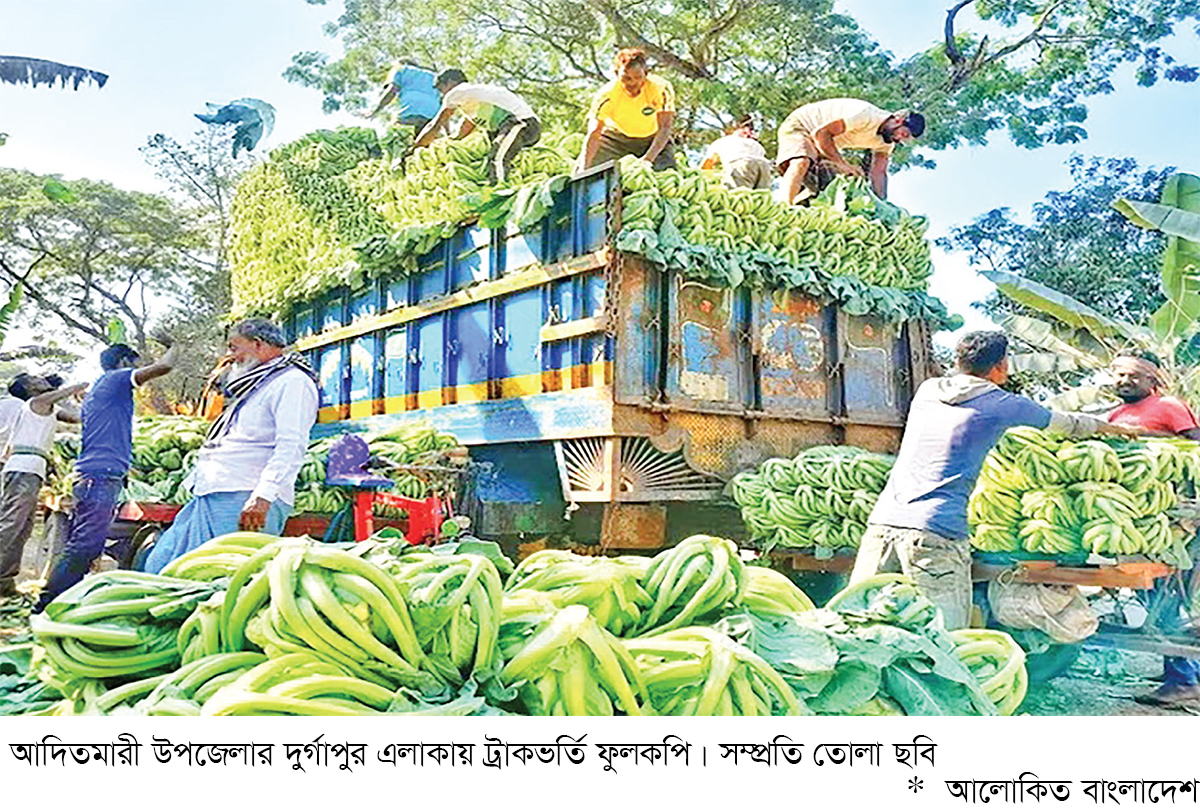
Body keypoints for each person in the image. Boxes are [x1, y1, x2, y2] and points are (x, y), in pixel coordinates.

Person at [850, 331, 1145, 630]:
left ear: (958, 361)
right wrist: (1117, 430)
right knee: (941, 636)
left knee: (860, 623)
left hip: (883, 525)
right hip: (936, 531)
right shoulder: (1003, 404)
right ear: (1001, 365)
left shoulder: (928, 390)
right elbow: (1068, 424)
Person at [143, 319, 318, 573]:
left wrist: (263, 496)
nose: (229, 355)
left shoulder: (292, 382)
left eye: (234, 347)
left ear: (258, 345)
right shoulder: (257, 383)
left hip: (246, 498)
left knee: (216, 582)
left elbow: (291, 446)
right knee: (160, 566)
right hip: (215, 493)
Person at [35, 341, 179, 610]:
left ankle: (65, 600)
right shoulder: (115, 379)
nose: (137, 369)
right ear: (124, 362)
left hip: (97, 475)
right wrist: (174, 344)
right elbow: (165, 366)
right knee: (84, 546)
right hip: (100, 475)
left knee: (86, 544)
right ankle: (47, 605)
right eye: (135, 363)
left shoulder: (100, 389)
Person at [1105, 349, 1200, 710]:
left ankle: (1183, 683)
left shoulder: (1169, 407)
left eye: (1133, 376)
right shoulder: (1116, 415)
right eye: (1119, 375)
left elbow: (1196, 446)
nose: (1124, 381)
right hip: (1136, 517)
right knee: (1152, 593)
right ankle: (1183, 671)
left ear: (1151, 380)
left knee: (1169, 596)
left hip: (1174, 519)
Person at [0, 374, 87, 599]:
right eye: (34, 380)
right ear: (28, 389)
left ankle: (6, 580)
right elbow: (57, 396)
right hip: (23, 469)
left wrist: (86, 402)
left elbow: (78, 418)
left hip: (31, 470)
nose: (40, 379)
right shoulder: (35, 403)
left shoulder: (47, 409)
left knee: (23, 527)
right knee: (12, 524)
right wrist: (80, 386)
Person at [776, 98, 924, 204]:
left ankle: (802, 210)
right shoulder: (866, 115)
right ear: (898, 120)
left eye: (905, 139)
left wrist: (882, 203)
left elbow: (879, 172)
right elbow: (821, 134)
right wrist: (843, 164)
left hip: (821, 144)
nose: (899, 139)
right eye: (903, 134)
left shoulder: (887, 142)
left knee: (833, 184)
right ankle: (784, 208)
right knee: (801, 161)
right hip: (802, 126)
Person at [413, 69, 541, 186]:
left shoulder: (456, 93)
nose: (441, 93)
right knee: (498, 154)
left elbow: (435, 125)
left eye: (441, 88)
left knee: (497, 158)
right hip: (520, 128)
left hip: (519, 123)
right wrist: (452, 140)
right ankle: (507, 182)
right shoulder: (473, 98)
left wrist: (416, 147)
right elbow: (465, 128)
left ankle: (499, 191)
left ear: (450, 82)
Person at [580, 48, 677, 172]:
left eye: (638, 77)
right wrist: (584, 170)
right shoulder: (607, 95)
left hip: (653, 140)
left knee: (666, 175)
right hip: (615, 140)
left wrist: (647, 161)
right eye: (626, 78)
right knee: (589, 172)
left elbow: (665, 127)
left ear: (646, 73)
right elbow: (594, 132)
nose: (632, 83)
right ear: (616, 74)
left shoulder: (661, 88)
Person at [364, 61, 441, 135]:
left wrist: (376, 110)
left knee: (396, 136)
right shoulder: (433, 75)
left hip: (408, 112)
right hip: (431, 116)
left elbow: (392, 90)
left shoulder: (400, 69)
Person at [701, 114, 775, 190]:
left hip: (740, 163)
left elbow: (708, 163)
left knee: (736, 195)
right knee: (761, 197)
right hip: (764, 167)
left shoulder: (722, 142)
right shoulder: (756, 145)